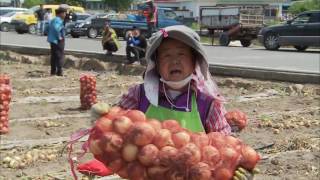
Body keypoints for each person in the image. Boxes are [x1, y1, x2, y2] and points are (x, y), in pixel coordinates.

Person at [85, 26, 257, 179]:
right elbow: (114, 129)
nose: (175, 61)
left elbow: (224, 145)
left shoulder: (208, 102)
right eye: (167, 55)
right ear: (156, 65)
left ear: (194, 61)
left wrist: (236, 165)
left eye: (181, 54)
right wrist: (100, 118)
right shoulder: (139, 94)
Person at [47, 7, 67, 76]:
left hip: (52, 40)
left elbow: (48, 28)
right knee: (59, 56)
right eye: (64, 13)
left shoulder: (53, 20)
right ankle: (59, 72)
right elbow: (56, 28)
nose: (65, 15)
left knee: (54, 56)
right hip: (58, 41)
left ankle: (53, 71)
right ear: (60, 14)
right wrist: (59, 37)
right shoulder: (58, 20)